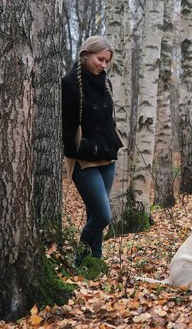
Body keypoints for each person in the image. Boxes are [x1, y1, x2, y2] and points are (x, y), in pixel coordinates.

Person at [62, 35, 124, 266]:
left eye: (107, 61)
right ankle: (80, 259)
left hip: (107, 158)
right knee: (102, 215)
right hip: (83, 160)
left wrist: (112, 143)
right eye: (100, 59)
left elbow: (108, 121)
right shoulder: (69, 84)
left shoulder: (105, 83)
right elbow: (66, 129)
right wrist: (88, 147)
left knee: (94, 213)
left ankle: (94, 261)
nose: (103, 65)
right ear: (86, 54)